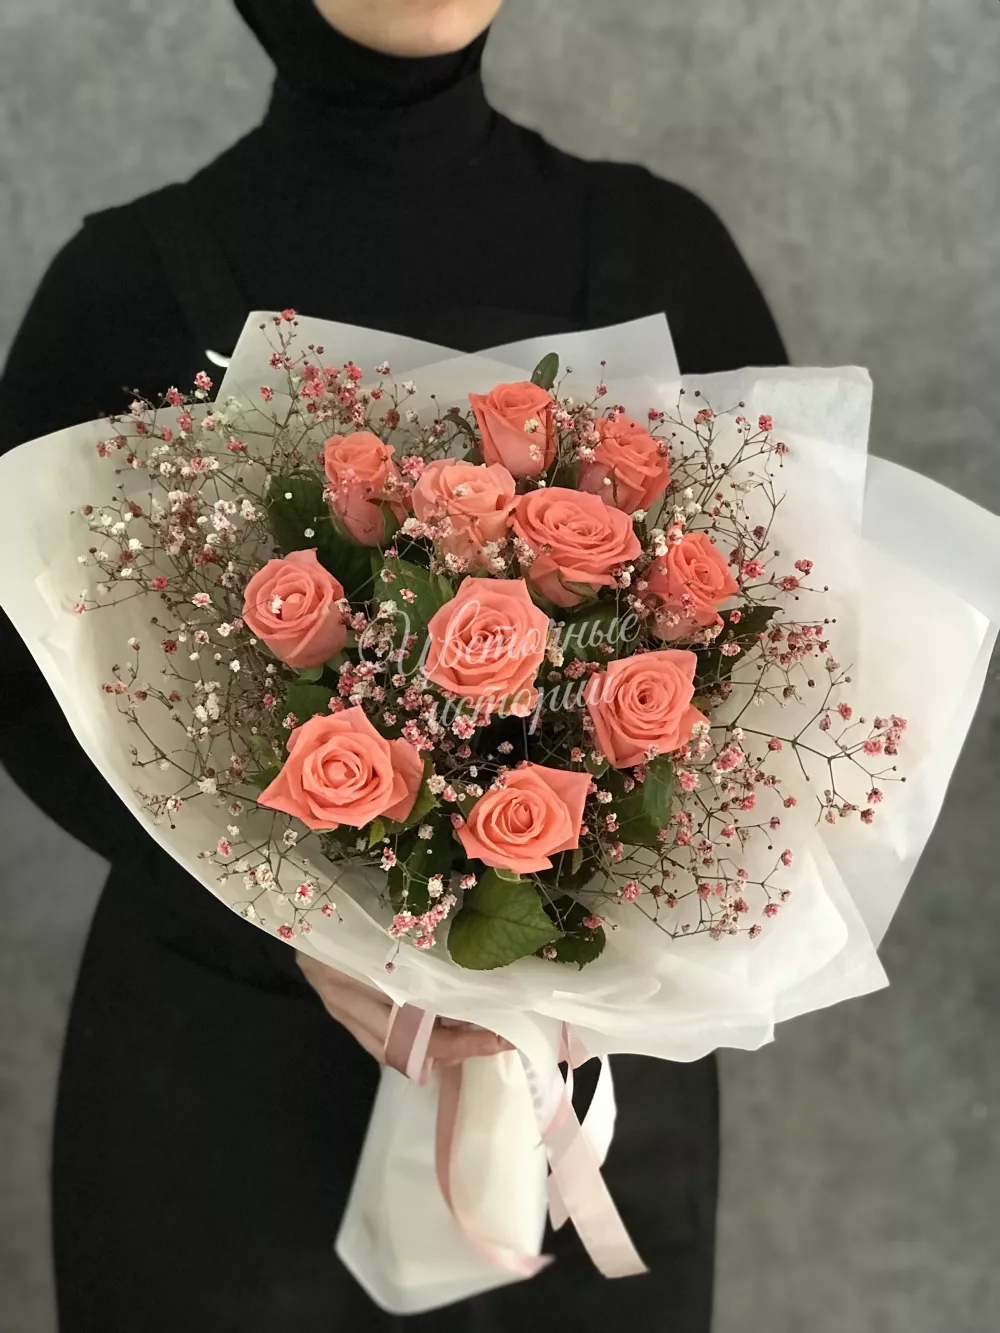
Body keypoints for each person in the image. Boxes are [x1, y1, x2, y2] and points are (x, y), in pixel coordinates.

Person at [0, 2, 786, 1329]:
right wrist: (292, 914)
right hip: (221, 1081)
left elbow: (775, 658)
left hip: (579, 1090)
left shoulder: (663, 250)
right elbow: (24, 690)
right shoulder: (125, 282)